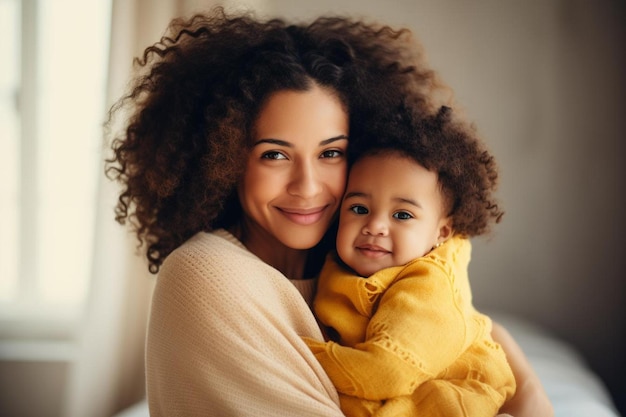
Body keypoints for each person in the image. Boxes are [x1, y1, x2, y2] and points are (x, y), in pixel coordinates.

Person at [104, 6, 553, 417]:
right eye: (275, 155)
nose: (308, 186)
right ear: (224, 160)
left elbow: (475, 329)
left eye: (331, 154)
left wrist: (530, 392)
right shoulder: (206, 273)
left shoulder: (355, 260)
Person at [303, 104, 516, 416]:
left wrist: (298, 353)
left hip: (458, 392)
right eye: (359, 208)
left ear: (441, 232)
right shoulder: (336, 264)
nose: (374, 225)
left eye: (402, 215)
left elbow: (388, 370)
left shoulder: (430, 287)